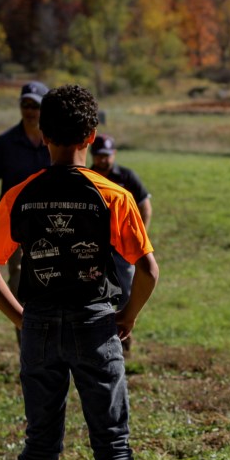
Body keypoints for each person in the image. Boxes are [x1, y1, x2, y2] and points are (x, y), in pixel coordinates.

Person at [0, 84, 161, 460]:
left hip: (39, 325)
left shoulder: (21, 194)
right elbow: (147, 271)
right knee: (112, 443)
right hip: (94, 324)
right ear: (91, 136)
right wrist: (127, 316)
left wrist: (22, 319)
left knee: (40, 442)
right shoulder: (112, 195)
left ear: (44, 134)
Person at [0, 81, 51, 301]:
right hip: (15, 223)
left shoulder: (57, 142)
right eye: (25, 105)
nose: (30, 111)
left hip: (52, 222)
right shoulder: (3, 143)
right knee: (19, 278)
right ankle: (22, 322)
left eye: (35, 106)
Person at [90, 134, 153, 350]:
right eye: (99, 155)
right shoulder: (86, 177)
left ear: (114, 154)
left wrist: (138, 239)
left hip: (122, 248)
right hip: (95, 249)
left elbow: (145, 206)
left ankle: (125, 338)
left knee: (127, 291)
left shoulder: (127, 176)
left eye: (107, 155)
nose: (103, 160)